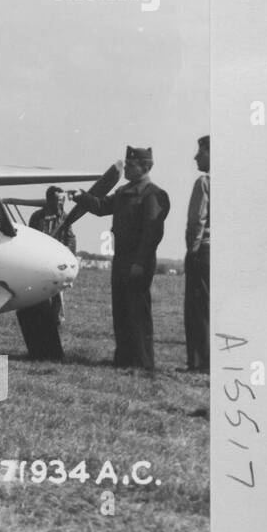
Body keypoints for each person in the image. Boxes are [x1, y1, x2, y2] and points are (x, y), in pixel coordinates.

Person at [73, 147, 170, 370]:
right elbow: (101, 207)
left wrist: (140, 262)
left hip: (138, 260)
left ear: (145, 167)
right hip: (121, 259)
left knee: (137, 311)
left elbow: (152, 233)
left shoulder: (153, 194)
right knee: (121, 310)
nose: (126, 168)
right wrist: (82, 197)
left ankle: (142, 361)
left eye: (131, 165)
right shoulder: (124, 192)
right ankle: (124, 358)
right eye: (126, 164)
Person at [16, 186, 78, 360]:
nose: (60, 204)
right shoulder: (37, 217)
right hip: (39, 261)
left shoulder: (64, 218)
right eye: (57, 200)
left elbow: (70, 238)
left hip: (57, 262)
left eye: (62, 201)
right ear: (49, 200)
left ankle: (56, 319)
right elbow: (30, 237)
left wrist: (69, 259)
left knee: (57, 294)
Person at [184, 135, 210, 372]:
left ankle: (200, 362)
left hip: (203, 252)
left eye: (200, 151)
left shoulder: (204, 182)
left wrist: (192, 251)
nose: (196, 156)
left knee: (198, 308)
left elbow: (197, 221)